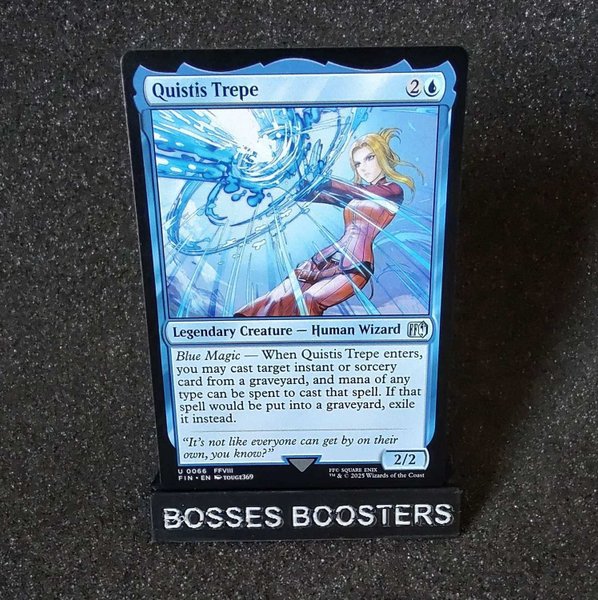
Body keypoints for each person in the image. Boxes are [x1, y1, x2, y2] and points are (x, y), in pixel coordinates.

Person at [234, 128, 416, 317]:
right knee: (283, 293)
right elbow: (316, 196)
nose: (363, 168)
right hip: (327, 257)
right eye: (357, 163)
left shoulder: (393, 191)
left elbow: (357, 191)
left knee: (310, 299)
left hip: (355, 265)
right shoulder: (356, 196)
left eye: (369, 158)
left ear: (382, 156)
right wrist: (295, 182)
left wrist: (326, 181)